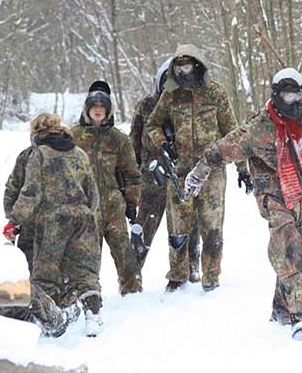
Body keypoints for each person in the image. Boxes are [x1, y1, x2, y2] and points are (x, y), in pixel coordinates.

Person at [183, 68, 302, 340]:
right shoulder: (259, 127)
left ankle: (280, 311)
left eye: (298, 95)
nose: (294, 101)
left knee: (296, 254)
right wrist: (198, 174)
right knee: (289, 252)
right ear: (277, 96)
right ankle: (301, 317)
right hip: (273, 195)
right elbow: (220, 150)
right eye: (287, 96)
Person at [146, 44, 252, 292]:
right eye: (179, 66)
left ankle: (211, 278)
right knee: (178, 229)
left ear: (197, 65)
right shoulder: (170, 95)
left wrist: (243, 169)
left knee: (212, 228)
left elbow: (232, 134)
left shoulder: (215, 93)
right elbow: (153, 124)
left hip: (212, 173)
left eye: (188, 65)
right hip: (180, 171)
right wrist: (164, 144)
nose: (184, 71)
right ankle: (177, 277)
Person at [10, 113, 103, 338]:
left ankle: (50, 321)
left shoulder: (39, 155)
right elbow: (93, 193)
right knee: (85, 271)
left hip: (52, 220)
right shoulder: (79, 153)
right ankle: (94, 317)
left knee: (46, 271)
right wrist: (86, 214)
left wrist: (15, 220)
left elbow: (31, 192)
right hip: (83, 219)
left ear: (36, 133)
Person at [129, 58, 201, 281]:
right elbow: (134, 139)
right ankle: (132, 277)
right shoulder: (147, 105)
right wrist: (131, 173)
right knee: (143, 228)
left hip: (181, 174)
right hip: (151, 177)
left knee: (185, 227)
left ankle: (189, 271)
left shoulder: (188, 105)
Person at [72, 81, 143, 295]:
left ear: (108, 111)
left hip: (113, 206)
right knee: (86, 260)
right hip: (85, 208)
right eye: (94, 106)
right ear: (87, 109)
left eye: (102, 107)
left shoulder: (119, 139)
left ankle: (133, 297)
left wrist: (131, 203)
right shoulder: (72, 137)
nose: (98, 110)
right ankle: (88, 298)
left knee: (125, 256)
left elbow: (132, 174)